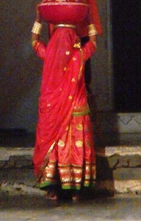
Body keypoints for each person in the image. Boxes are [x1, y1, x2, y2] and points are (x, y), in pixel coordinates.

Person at [30, 17, 98, 202]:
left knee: (56, 147)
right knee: (76, 147)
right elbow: (93, 42)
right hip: (77, 110)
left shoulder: (50, 54)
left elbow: (35, 42)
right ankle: (76, 190)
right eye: (73, 36)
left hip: (54, 112)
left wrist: (38, 20)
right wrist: (89, 18)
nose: (76, 39)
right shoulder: (79, 55)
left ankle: (53, 189)